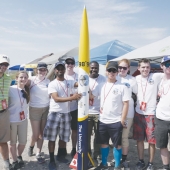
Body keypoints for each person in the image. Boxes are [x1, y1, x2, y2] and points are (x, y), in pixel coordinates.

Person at [43, 62, 82, 170]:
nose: (60, 70)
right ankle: (51, 159)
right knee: (52, 138)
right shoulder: (52, 84)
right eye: (58, 69)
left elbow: (80, 84)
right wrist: (72, 98)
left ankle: (60, 156)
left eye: (61, 68)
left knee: (63, 137)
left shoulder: (70, 81)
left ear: (64, 70)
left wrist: (86, 82)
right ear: (55, 71)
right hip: (55, 113)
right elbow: (56, 98)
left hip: (66, 113)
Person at [95, 61, 130, 170]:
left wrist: (122, 120)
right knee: (104, 143)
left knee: (117, 144)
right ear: (106, 72)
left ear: (117, 72)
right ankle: (104, 164)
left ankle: (117, 166)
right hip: (103, 120)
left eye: (114, 70)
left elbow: (126, 104)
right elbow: (93, 94)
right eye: (109, 70)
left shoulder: (122, 87)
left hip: (116, 121)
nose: (111, 72)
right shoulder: (101, 85)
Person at [134, 58, 163, 170]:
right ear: (138, 68)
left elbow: (166, 74)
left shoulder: (155, 76)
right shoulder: (135, 79)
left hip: (151, 114)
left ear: (150, 68)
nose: (145, 69)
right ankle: (141, 161)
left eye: (147, 67)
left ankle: (150, 163)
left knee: (151, 141)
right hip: (138, 112)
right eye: (143, 67)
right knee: (139, 139)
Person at [115, 59, 137, 169]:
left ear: (128, 68)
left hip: (128, 113)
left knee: (124, 137)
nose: (122, 70)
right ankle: (116, 159)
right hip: (115, 113)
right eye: (120, 67)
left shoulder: (132, 80)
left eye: (124, 68)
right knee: (115, 137)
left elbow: (138, 93)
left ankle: (124, 160)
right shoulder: (113, 77)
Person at [27, 62, 50, 163]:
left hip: (46, 108)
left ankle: (38, 153)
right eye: (40, 69)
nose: (42, 71)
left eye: (44, 70)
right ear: (37, 70)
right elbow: (20, 84)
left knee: (42, 133)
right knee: (35, 134)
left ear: (46, 71)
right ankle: (31, 146)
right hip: (34, 109)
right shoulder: (31, 80)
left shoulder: (48, 81)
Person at [56, 57, 78, 161]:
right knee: (62, 130)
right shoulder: (61, 74)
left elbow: (82, 87)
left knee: (74, 130)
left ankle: (74, 149)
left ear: (74, 64)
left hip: (74, 108)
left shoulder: (78, 76)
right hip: (62, 109)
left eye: (72, 63)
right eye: (68, 63)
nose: (69, 65)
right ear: (65, 65)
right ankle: (62, 150)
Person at [8, 71, 30, 169]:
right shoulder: (10, 89)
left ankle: (19, 155)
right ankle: (14, 161)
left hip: (23, 120)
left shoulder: (27, 90)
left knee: (23, 142)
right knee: (12, 142)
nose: (23, 79)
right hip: (12, 120)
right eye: (21, 77)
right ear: (16, 78)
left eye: (25, 77)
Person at [88, 61, 106, 161]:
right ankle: (88, 153)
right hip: (87, 112)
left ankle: (97, 154)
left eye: (96, 68)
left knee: (98, 135)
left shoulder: (103, 79)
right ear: (89, 68)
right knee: (86, 136)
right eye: (92, 67)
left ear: (98, 68)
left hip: (99, 112)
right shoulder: (85, 78)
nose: (94, 69)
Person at [155, 56, 170, 170]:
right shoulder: (159, 80)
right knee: (162, 145)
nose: (169, 66)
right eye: (167, 64)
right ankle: (165, 167)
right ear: (162, 66)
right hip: (160, 118)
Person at [0, 54, 12, 170]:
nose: (3, 66)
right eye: (1, 64)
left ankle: (6, 162)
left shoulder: (8, 78)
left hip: (3, 112)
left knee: (3, 140)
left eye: (5, 64)